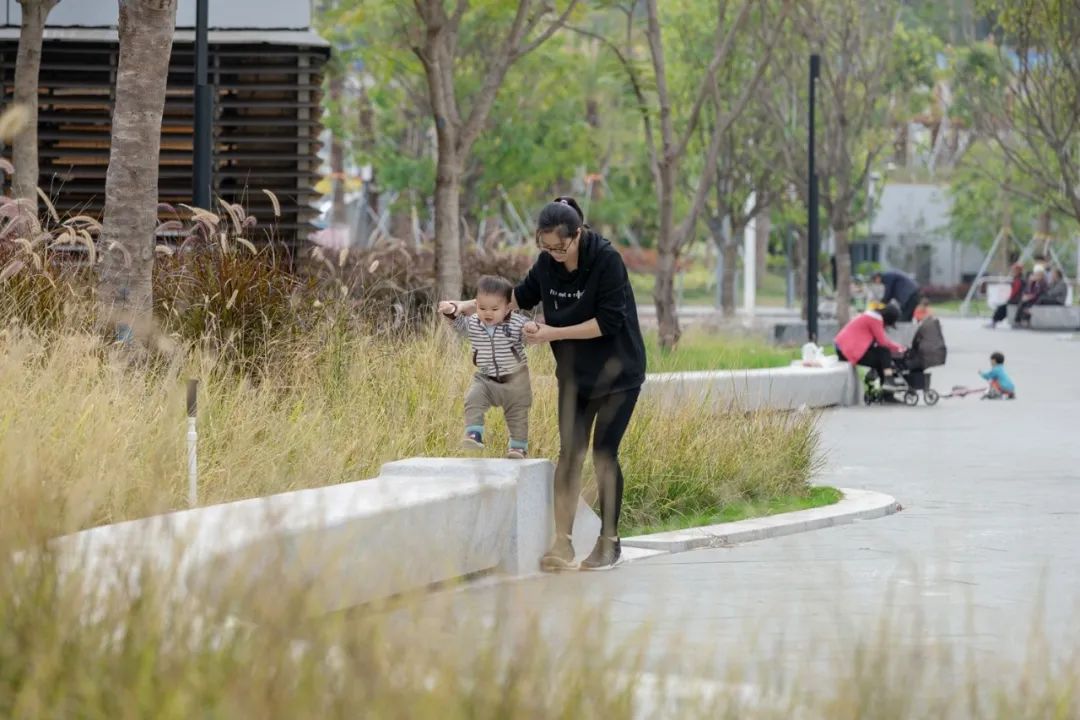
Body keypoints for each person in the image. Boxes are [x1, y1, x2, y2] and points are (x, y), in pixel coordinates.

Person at [440, 197, 646, 571]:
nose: (553, 254)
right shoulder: (547, 266)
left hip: (619, 373)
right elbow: (514, 299)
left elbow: (609, 322)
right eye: (545, 247)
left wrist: (552, 332)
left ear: (577, 235)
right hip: (574, 373)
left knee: (603, 453)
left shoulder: (606, 261)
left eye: (559, 247)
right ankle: (562, 543)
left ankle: (609, 542)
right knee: (570, 453)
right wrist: (465, 307)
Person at [439, 275, 533, 459]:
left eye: (494, 309)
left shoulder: (516, 324)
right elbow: (459, 325)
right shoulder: (474, 323)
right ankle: (474, 434)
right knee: (473, 398)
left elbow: (528, 335)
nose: (487, 313)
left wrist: (531, 328)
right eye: (482, 308)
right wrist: (450, 311)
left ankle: (518, 447)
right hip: (486, 378)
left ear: (507, 308)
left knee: (517, 415)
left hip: (515, 380)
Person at [834, 303, 906, 388]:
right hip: (847, 351)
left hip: (842, 349)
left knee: (882, 356)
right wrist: (901, 348)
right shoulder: (875, 319)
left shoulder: (870, 316)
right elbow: (883, 342)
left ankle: (885, 384)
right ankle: (888, 382)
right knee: (884, 352)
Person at [990, 262, 1025, 328]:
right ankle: (994, 321)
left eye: (1014, 270)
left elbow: (1015, 291)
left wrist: (1010, 298)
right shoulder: (1017, 279)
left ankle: (994, 321)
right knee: (1003, 307)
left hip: (1017, 299)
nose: (1013, 271)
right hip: (1017, 299)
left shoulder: (1018, 280)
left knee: (1002, 308)